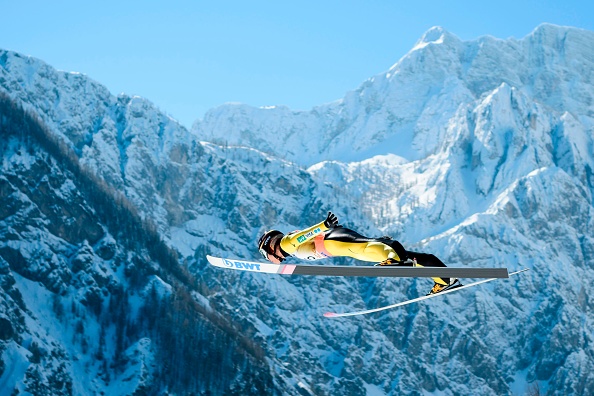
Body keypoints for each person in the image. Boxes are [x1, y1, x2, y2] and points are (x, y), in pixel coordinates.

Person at [258, 212, 458, 295]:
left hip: (330, 240)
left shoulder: (285, 244)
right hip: (335, 244)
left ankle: (392, 257)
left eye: (266, 256)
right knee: (378, 249)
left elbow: (301, 237)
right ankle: (444, 279)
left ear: (270, 248)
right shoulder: (287, 246)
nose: (270, 260)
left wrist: (322, 225)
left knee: (364, 247)